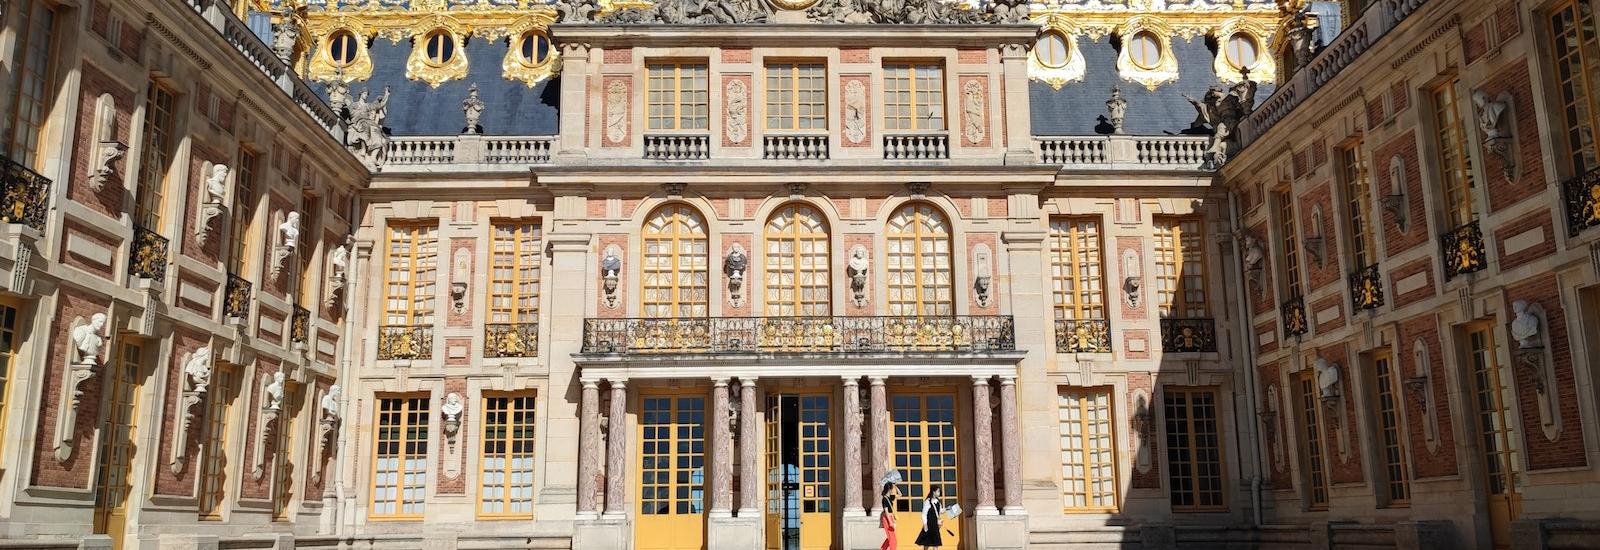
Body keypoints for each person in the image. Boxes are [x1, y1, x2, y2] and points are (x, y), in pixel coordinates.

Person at [880, 482, 900, 550]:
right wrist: (890, 522)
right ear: (889, 489)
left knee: (890, 538)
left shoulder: (890, 497)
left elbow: (900, 494)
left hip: (890, 517)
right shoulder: (884, 499)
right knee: (892, 539)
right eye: (892, 488)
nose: (892, 489)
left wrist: (896, 486)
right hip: (887, 518)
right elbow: (886, 511)